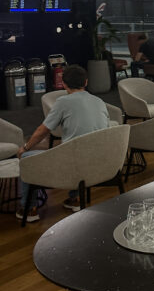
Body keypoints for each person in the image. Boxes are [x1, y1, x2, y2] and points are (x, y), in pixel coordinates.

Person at [16, 64, 110, 222]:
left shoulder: (63, 102)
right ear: (86, 82)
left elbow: (43, 131)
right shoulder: (99, 101)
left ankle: (29, 208)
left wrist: (25, 148)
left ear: (64, 84)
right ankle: (75, 198)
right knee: (76, 149)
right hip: (99, 161)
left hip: (72, 163)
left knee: (27, 158)